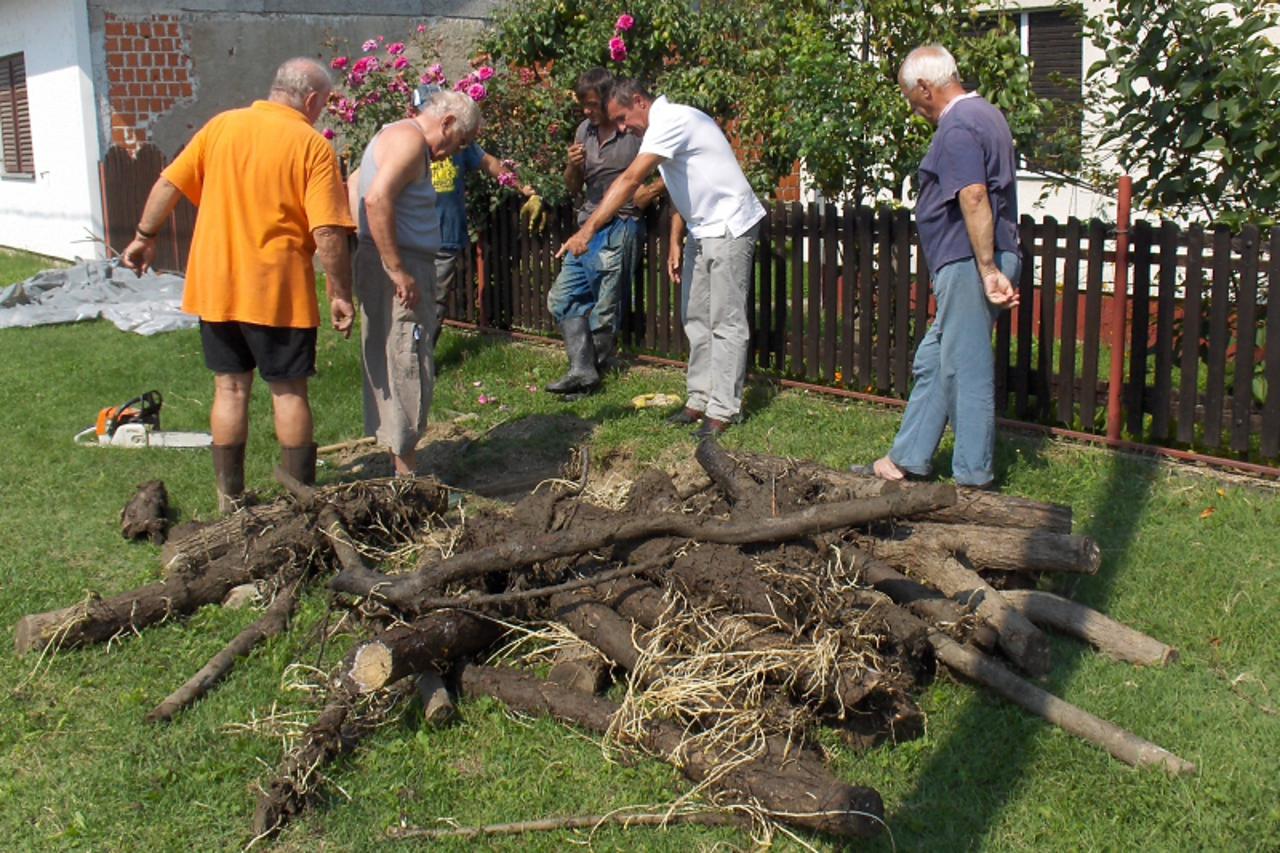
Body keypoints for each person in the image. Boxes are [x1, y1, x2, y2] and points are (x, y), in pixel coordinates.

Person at [120, 57, 355, 512]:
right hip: (277, 290)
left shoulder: (221, 127)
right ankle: (300, 503)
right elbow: (327, 230)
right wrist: (340, 292)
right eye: (324, 103)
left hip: (217, 287)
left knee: (229, 389)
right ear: (311, 99)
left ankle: (229, 500)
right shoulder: (311, 145)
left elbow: (168, 183)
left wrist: (144, 236)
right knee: (288, 391)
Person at [558, 79, 763, 436]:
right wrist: (676, 238)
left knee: (725, 321)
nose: (623, 128)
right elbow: (687, 182)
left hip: (730, 224)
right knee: (695, 316)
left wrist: (586, 231)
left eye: (622, 118)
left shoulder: (672, 120)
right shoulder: (663, 127)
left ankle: (723, 409)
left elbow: (630, 180)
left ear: (639, 101)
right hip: (702, 228)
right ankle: (700, 399)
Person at [857, 44, 1020, 489]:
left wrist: (987, 268)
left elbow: (974, 195)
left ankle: (973, 478)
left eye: (912, 98)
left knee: (965, 366)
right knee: (933, 360)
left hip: (971, 262)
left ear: (926, 88)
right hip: (973, 260)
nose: (914, 108)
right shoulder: (987, 115)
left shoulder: (959, 125)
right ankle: (907, 459)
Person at [349, 89, 482, 477]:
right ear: (448, 123)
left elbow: (354, 183)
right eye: (460, 141)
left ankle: (399, 461)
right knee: (408, 357)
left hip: (384, 257)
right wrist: (396, 268)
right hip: (401, 263)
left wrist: (368, 247)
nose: (455, 152)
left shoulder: (390, 133)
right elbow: (376, 199)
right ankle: (408, 476)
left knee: (392, 355)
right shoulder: (410, 142)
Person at [545, 68, 663, 398]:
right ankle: (582, 370)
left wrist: (649, 192)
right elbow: (573, 187)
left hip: (621, 224)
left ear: (609, 99)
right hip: (587, 225)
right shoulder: (584, 131)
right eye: (583, 104)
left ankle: (589, 378)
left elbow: (674, 166)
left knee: (605, 309)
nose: (587, 111)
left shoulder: (634, 131)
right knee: (562, 298)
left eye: (593, 104)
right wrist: (572, 165)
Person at [418, 84, 542, 352]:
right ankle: (406, 355)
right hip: (414, 236)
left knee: (435, 301)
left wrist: (521, 186)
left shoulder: (462, 144)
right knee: (409, 301)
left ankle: (423, 356)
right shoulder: (410, 143)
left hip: (446, 235)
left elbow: (490, 164)